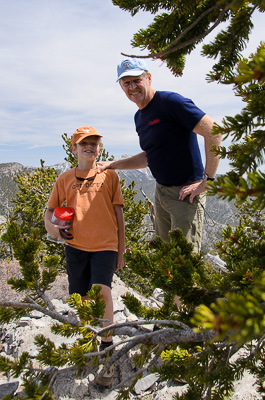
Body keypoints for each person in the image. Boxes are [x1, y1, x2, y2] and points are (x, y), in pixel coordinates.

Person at [98, 58, 222, 253]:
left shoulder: (171, 102)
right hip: (161, 191)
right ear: (121, 87)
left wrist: (207, 180)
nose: (132, 87)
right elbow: (150, 156)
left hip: (186, 192)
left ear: (149, 78)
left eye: (136, 80)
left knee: (184, 259)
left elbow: (214, 131)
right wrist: (113, 164)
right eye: (126, 83)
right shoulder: (140, 116)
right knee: (166, 255)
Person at [44, 126, 125, 386]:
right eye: (84, 143)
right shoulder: (64, 178)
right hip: (76, 246)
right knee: (81, 297)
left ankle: (106, 349)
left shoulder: (109, 175)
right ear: (74, 148)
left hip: (105, 245)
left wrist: (120, 250)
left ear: (100, 147)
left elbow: (119, 216)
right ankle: (89, 340)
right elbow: (49, 212)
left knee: (102, 291)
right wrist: (54, 230)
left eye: (94, 142)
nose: (90, 146)